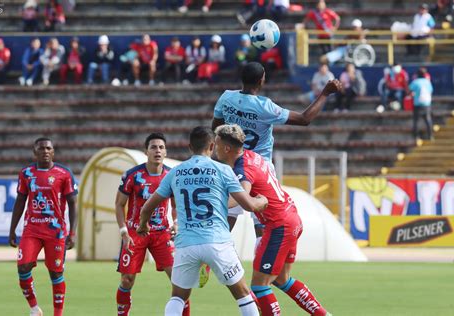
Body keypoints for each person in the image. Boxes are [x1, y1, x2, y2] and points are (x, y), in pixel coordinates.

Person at [136, 126, 268, 316]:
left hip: (186, 245)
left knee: (178, 297)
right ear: (212, 146)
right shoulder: (222, 169)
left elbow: (147, 207)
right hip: (217, 242)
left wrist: (143, 225)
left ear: (190, 146)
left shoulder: (175, 172)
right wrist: (261, 201)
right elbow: (249, 205)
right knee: (243, 295)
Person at [214, 124, 332, 316]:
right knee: (282, 279)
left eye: (217, 144)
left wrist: (213, 205)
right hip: (291, 217)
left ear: (226, 148)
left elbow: (242, 196)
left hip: (279, 226)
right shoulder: (253, 156)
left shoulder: (242, 168)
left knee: (259, 286)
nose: (214, 148)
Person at [115, 133, 190, 316]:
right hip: (135, 233)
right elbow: (119, 204)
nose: (158, 151)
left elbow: (177, 205)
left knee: (179, 282)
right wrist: (124, 231)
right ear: (146, 151)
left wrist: (177, 223)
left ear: (166, 152)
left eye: (161, 147)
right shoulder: (133, 175)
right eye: (154, 147)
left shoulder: (172, 175)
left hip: (162, 233)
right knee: (127, 280)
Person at [212, 61, 341, 163]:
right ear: (260, 81)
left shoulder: (226, 97)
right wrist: (325, 93)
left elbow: (216, 127)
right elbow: (304, 119)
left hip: (232, 163)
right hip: (260, 168)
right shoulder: (264, 106)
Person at [8, 137, 78, 316]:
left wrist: (73, 233)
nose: (45, 151)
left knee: (55, 274)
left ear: (53, 152)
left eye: (48, 148)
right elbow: (20, 201)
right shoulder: (26, 173)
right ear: (35, 152)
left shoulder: (64, 173)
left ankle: (57, 314)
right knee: (22, 267)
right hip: (32, 229)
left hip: (55, 232)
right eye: (41, 149)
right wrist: (12, 229)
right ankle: (34, 309)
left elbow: (73, 203)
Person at [409, 68, 434, 140]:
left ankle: (416, 136)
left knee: (416, 120)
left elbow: (409, 90)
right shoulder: (427, 82)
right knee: (428, 119)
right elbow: (431, 91)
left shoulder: (415, 82)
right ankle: (430, 135)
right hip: (427, 103)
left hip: (418, 104)